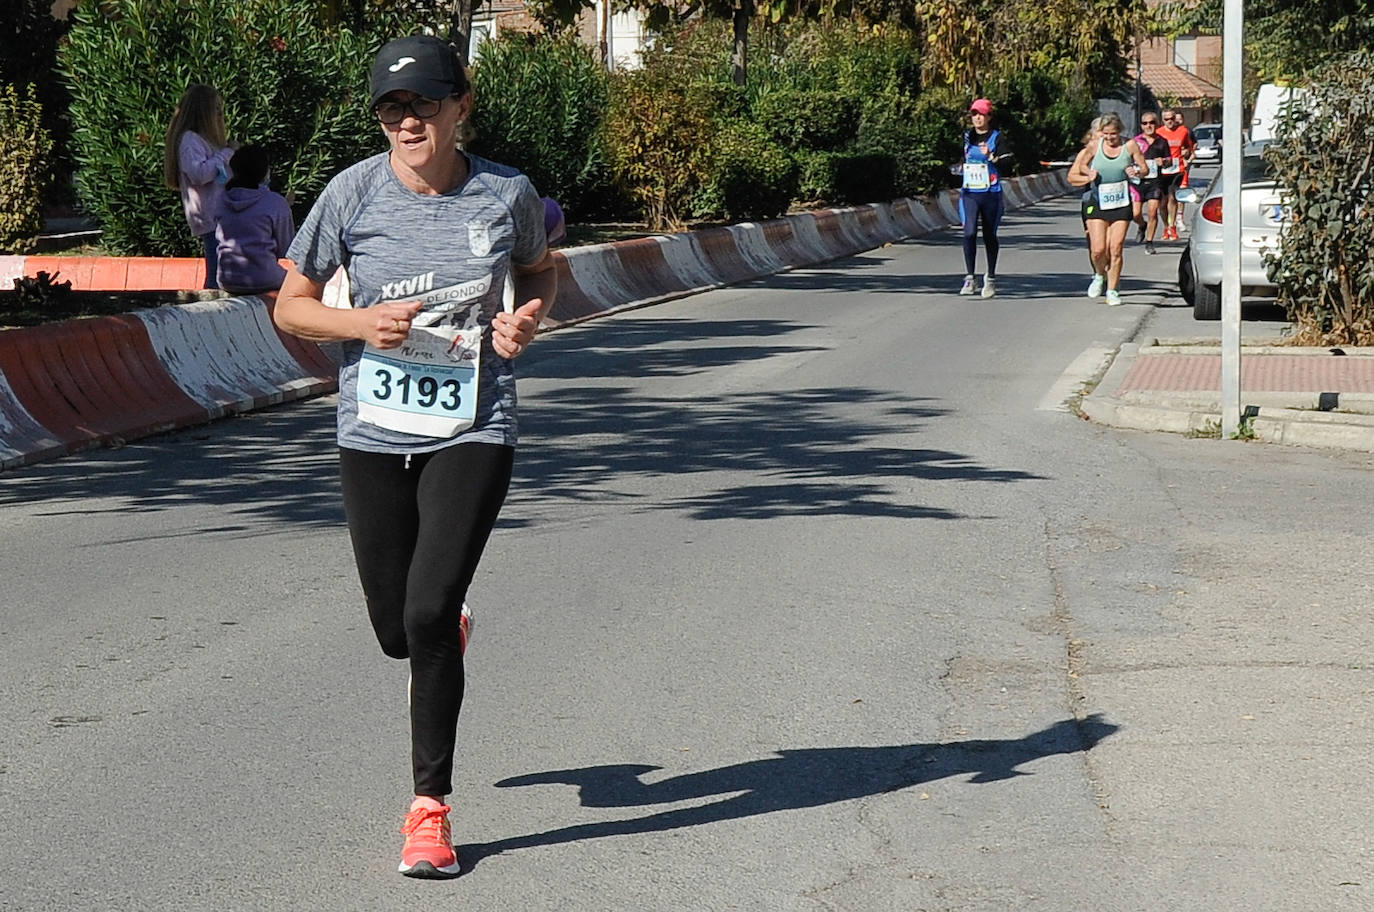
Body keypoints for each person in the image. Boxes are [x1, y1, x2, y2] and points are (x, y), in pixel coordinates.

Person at [273, 34, 556, 879]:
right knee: (397, 632)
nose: (406, 121)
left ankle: (429, 811)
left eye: (422, 104)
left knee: (428, 611)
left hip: (475, 423)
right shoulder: (351, 193)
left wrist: (528, 319)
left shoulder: (506, 192)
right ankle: (439, 628)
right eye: (390, 108)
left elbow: (542, 271)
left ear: (460, 106)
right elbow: (291, 306)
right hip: (372, 429)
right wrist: (359, 324)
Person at [1068, 112, 1148, 305]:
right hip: (1098, 202)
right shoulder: (1095, 146)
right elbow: (1081, 165)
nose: (1110, 138)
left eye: (1113, 134)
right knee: (1098, 249)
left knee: (1116, 248)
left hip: (1121, 203)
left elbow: (1145, 169)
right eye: (1105, 134)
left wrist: (1136, 171)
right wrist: (1089, 173)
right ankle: (1099, 275)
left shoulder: (1130, 146)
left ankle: (1112, 291)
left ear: (1120, 131)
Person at [163, 84, 236, 289]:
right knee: (217, 274)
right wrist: (227, 153)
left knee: (222, 271)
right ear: (202, 111)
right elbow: (199, 174)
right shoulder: (190, 140)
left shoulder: (205, 142)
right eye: (216, 109)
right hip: (210, 216)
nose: (220, 114)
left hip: (220, 215)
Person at [214, 145, 295, 295]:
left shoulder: (220, 200)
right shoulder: (275, 202)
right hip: (265, 278)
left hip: (226, 279)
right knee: (298, 282)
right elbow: (286, 248)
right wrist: (286, 209)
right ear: (263, 171)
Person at [957, 98, 1011, 298]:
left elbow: (1007, 164)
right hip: (970, 193)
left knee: (989, 235)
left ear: (989, 116)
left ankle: (991, 278)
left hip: (991, 194)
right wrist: (959, 167)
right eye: (974, 114)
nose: (977, 118)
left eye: (981, 114)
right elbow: (961, 159)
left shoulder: (997, 137)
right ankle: (970, 277)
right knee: (969, 232)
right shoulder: (967, 137)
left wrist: (991, 156)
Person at [1130, 112, 1172, 254]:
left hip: (1155, 182)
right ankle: (1142, 225)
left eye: (1152, 122)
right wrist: (1129, 169)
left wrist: (1164, 161)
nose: (1149, 126)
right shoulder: (1135, 142)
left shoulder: (1162, 141)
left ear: (1157, 124)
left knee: (1152, 212)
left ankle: (1149, 242)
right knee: (1136, 214)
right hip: (1137, 182)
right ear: (1141, 125)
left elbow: (1169, 160)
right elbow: (1127, 160)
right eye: (1145, 123)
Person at [1156, 108, 1196, 240]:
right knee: (1162, 202)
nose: (1170, 121)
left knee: (1173, 198)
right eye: (1166, 119)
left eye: (1172, 119)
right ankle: (1166, 226)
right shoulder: (1158, 133)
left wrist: (1187, 153)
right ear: (1163, 120)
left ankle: (1172, 227)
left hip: (1177, 169)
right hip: (1162, 171)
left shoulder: (1183, 131)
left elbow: (1189, 147)